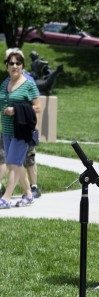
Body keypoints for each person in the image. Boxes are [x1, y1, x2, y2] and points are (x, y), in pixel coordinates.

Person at [0, 48, 40, 209]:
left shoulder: (28, 84)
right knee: (16, 164)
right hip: (7, 131)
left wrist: (15, 110)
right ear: (7, 66)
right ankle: (29, 195)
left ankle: (6, 198)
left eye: (18, 63)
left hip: (22, 131)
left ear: (22, 65)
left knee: (12, 163)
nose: (15, 66)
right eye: (11, 63)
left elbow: (37, 107)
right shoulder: (4, 83)